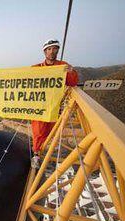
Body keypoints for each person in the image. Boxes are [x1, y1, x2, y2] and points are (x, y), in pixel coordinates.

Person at [31, 39, 78, 167]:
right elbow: (23, 78)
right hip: (40, 106)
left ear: (57, 50)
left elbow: (72, 83)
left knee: (51, 130)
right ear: (45, 52)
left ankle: (46, 149)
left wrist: (71, 72)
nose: (52, 52)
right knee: (38, 131)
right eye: (49, 49)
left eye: (54, 49)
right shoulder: (36, 68)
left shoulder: (63, 66)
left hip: (55, 105)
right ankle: (36, 154)